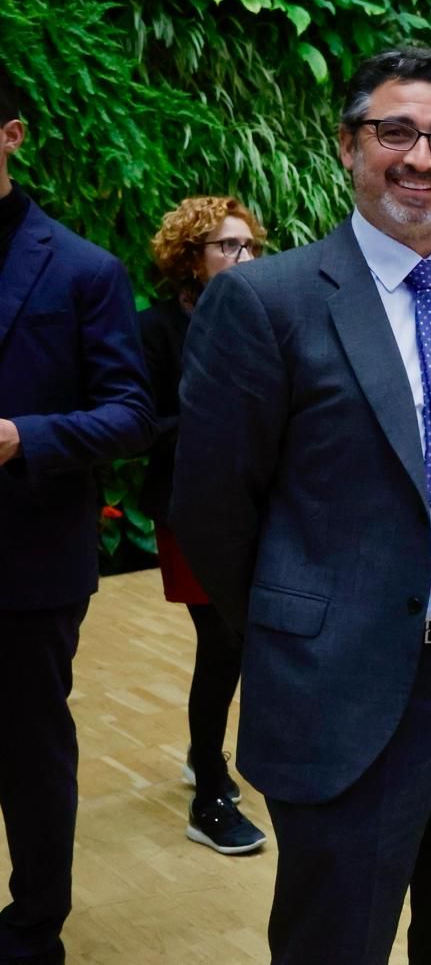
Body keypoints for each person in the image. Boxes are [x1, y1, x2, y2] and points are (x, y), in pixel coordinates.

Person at [170, 46, 431, 964]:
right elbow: (214, 508)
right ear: (349, 145)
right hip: (345, 691)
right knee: (333, 942)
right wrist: (306, 627)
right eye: (397, 132)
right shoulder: (268, 301)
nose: (422, 157)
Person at [0, 66, 156, 962]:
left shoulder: (84, 269)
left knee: (28, 752)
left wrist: (22, 436)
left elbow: (130, 413)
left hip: (24, 560)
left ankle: (33, 925)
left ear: (12, 134)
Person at [139, 195, 269, 855]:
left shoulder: (261, 319)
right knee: (221, 640)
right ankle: (208, 793)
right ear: (191, 256)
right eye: (227, 246)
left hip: (255, 505)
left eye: (249, 246)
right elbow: (138, 422)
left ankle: (202, 751)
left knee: (236, 640)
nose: (242, 258)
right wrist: (213, 420)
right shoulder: (156, 329)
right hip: (189, 505)